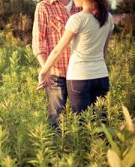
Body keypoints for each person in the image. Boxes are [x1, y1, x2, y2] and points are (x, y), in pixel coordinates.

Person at [37, 0, 114, 115]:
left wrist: (43, 71)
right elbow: (104, 51)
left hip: (79, 78)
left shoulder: (77, 18)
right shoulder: (109, 17)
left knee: (82, 122)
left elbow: (58, 50)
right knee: (101, 122)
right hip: (102, 76)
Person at [32, 0, 82, 130]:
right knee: (56, 120)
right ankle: (56, 149)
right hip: (56, 74)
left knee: (81, 120)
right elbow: (38, 42)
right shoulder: (44, 6)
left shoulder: (82, 5)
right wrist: (46, 69)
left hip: (80, 74)